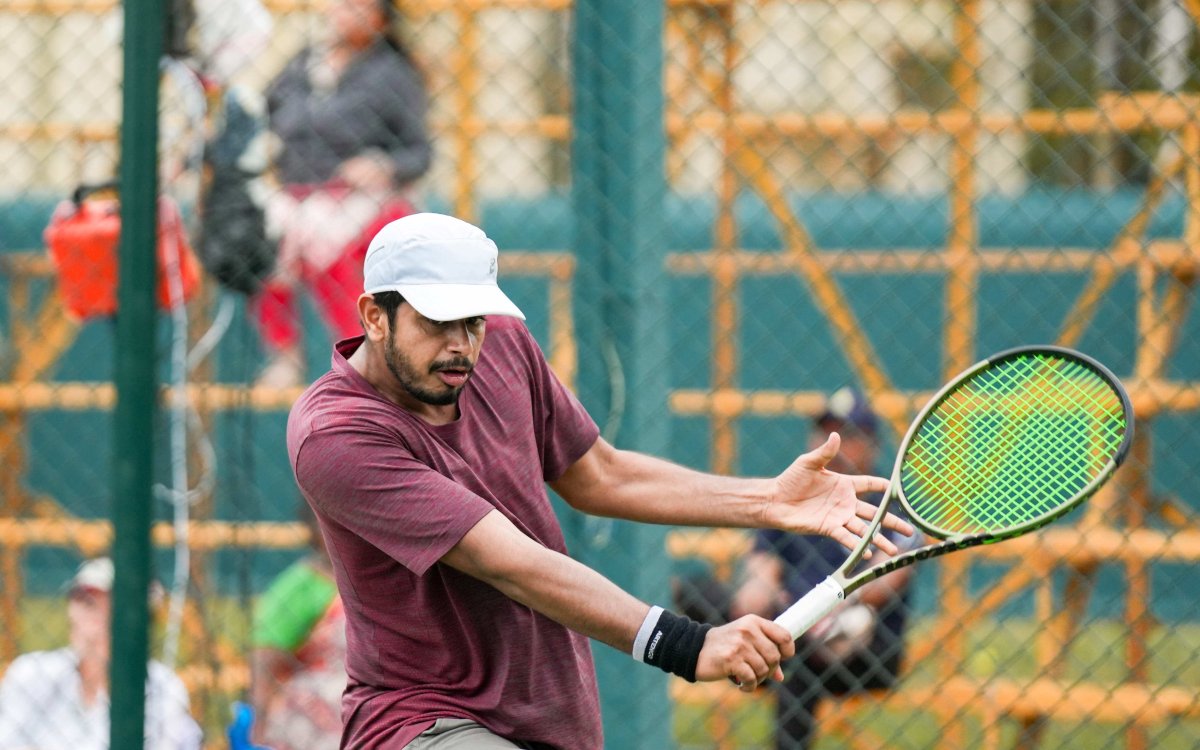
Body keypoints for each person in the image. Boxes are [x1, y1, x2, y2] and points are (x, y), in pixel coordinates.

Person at [285, 212, 914, 749]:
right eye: (436, 323)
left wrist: (768, 500)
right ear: (374, 315)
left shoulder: (502, 345)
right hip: (424, 720)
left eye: (472, 321)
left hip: (553, 708)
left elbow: (600, 474)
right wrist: (685, 645)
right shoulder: (336, 434)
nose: (460, 346)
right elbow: (509, 562)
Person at [731, 388, 921, 750]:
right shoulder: (793, 499)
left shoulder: (894, 506)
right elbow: (760, 572)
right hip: (792, 630)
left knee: (799, 660)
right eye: (824, 433)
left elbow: (881, 584)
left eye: (846, 436)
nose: (832, 446)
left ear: (871, 445)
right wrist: (762, 597)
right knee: (695, 594)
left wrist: (826, 614)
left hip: (864, 647)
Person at [255, 0, 433, 387]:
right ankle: (284, 354)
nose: (344, 10)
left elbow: (419, 153)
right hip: (298, 192)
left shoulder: (392, 72)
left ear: (380, 19)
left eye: (360, 5)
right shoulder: (305, 63)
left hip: (359, 196)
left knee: (322, 241)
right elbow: (262, 114)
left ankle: (366, 351)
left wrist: (382, 165)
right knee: (260, 238)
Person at [0, 557, 203, 750]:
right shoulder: (32, 672)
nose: (80, 615)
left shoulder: (163, 687)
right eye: (81, 602)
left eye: (94, 604)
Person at [248, 504, 347, 749]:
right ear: (313, 529)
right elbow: (265, 659)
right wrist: (258, 724)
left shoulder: (382, 579)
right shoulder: (302, 585)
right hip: (313, 718)